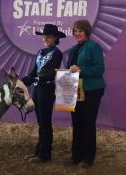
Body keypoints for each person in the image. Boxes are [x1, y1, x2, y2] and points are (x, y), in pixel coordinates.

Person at [22, 24, 66, 163]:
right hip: (37, 89)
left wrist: (34, 78)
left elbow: (50, 75)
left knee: (45, 122)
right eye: (44, 36)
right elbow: (34, 71)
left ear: (55, 38)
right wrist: (22, 82)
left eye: (48, 36)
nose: (45, 39)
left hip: (47, 90)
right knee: (41, 122)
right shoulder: (40, 52)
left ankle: (45, 154)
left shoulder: (57, 54)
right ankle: (39, 151)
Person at [66, 19, 105, 167]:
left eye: (80, 30)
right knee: (76, 123)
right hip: (75, 90)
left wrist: (81, 69)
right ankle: (76, 156)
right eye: (75, 31)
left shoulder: (94, 47)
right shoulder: (73, 49)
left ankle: (88, 158)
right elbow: (71, 69)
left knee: (88, 123)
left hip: (92, 90)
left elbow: (99, 69)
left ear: (86, 32)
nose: (77, 33)